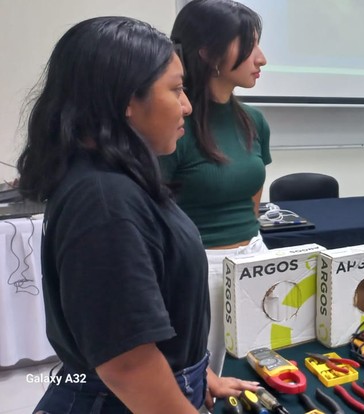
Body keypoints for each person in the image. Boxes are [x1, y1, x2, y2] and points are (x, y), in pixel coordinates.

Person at [18, 16, 257, 413]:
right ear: (127, 99)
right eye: (177, 90)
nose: (187, 104)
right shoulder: (103, 200)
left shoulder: (116, 178)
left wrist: (199, 374)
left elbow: (148, 304)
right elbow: (128, 364)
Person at [163, 0, 270, 374]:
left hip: (256, 257)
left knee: (259, 368)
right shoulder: (173, 127)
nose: (262, 58)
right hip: (199, 267)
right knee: (202, 376)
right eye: (249, 46)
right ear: (208, 53)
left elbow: (253, 192)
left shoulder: (253, 120)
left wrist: (250, 241)